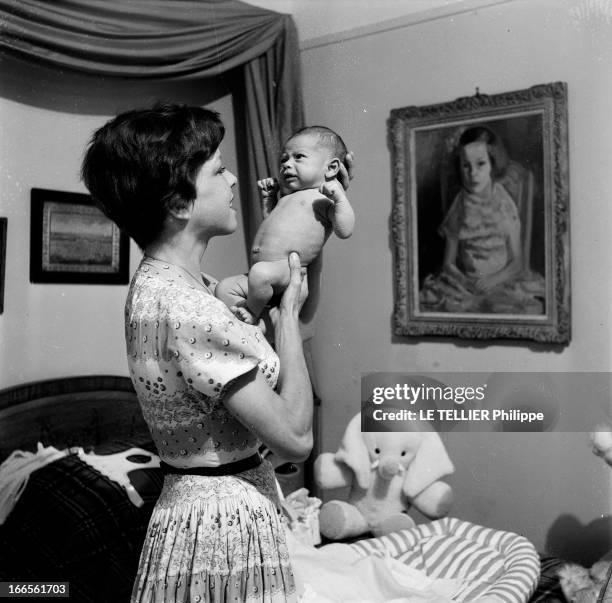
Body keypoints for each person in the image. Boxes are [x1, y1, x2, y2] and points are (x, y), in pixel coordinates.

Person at [81, 103, 350, 602]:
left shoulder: (170, 288)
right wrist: (286, 316)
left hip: (202, 512)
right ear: (181, 202)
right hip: (224, 526)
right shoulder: (190, 308)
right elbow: (294, 437)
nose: (232, 182)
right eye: (219, 170)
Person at [215, 125, 355, 324]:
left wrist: (340, 199)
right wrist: (269, 199)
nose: (287, 164)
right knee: (224, 288)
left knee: (259, 274)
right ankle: (262, 323)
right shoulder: (287, 197)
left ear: (331, 168)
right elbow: (271, 223)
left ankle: (253, 314)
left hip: (287, 271)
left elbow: (345, 230)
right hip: (265, 275)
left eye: (298, 157)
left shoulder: (323, 198)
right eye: (283, 159)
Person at [419, 126, 545, 314]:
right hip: (466, 283)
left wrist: (493, 280)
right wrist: (466, 282)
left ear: (493, 164)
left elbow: (517, 262)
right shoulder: (460, 205)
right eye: (466, 166)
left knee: (511, 308)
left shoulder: (503, 203)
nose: (473, 173)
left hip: (501, 281)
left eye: (480, 164)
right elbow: (448, 263)